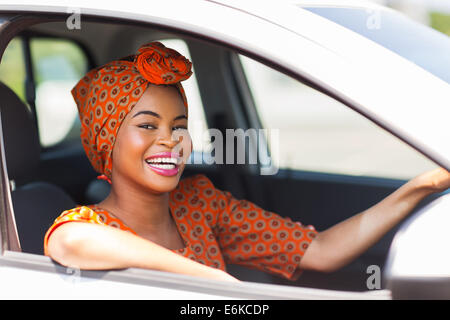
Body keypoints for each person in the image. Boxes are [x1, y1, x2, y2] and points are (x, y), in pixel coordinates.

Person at [44, 41, 450, 283]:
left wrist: (423, 186)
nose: (170, 139)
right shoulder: (87, 226)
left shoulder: (199, 203)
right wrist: (217, 282)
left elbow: (322, 250)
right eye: (147, 125)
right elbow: (70, 242)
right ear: (106, 141)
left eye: (179, 125)